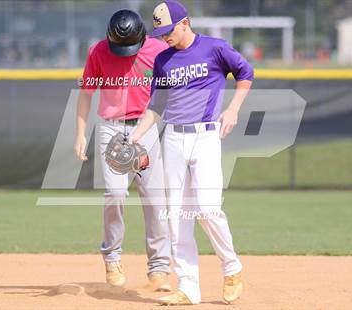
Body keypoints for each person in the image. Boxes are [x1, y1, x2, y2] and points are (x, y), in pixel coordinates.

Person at [130, 0, 253, 305]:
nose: (165, 36)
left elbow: (245, 73)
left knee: (208, 210)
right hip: (172, 138)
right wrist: (134, 136)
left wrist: (234, 109)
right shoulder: (163, 60)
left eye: (170, 30)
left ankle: (232, 268)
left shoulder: (215, 48)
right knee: (177, 217)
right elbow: (156, 106)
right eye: (161, 32)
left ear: (185, 22)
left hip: (205, 136)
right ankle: (188, 287)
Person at [74, 9, 171, 292]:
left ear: (142, 37)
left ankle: (159, 268)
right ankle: (112, 256)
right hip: (111, 129)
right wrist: (80, 133)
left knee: (154, 199)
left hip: (146, 126)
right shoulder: (99, 51)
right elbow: (86, 93)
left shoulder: (158, 49)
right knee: (116, 193)